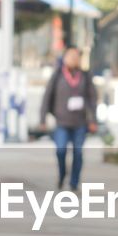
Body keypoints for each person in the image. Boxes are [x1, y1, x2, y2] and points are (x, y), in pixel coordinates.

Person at [39, 45, 98, 191]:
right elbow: (47, 97)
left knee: (78, 153)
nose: (73, 59)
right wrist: (43, 118)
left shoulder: (85, 76)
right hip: (62, 121)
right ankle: (62, 174)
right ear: (64, 58)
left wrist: (92, 120)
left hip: (80, 122)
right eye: (71, 56)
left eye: (76, 56)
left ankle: (74, 182)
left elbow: (92, 99)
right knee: (60, 150)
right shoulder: (58, 75)